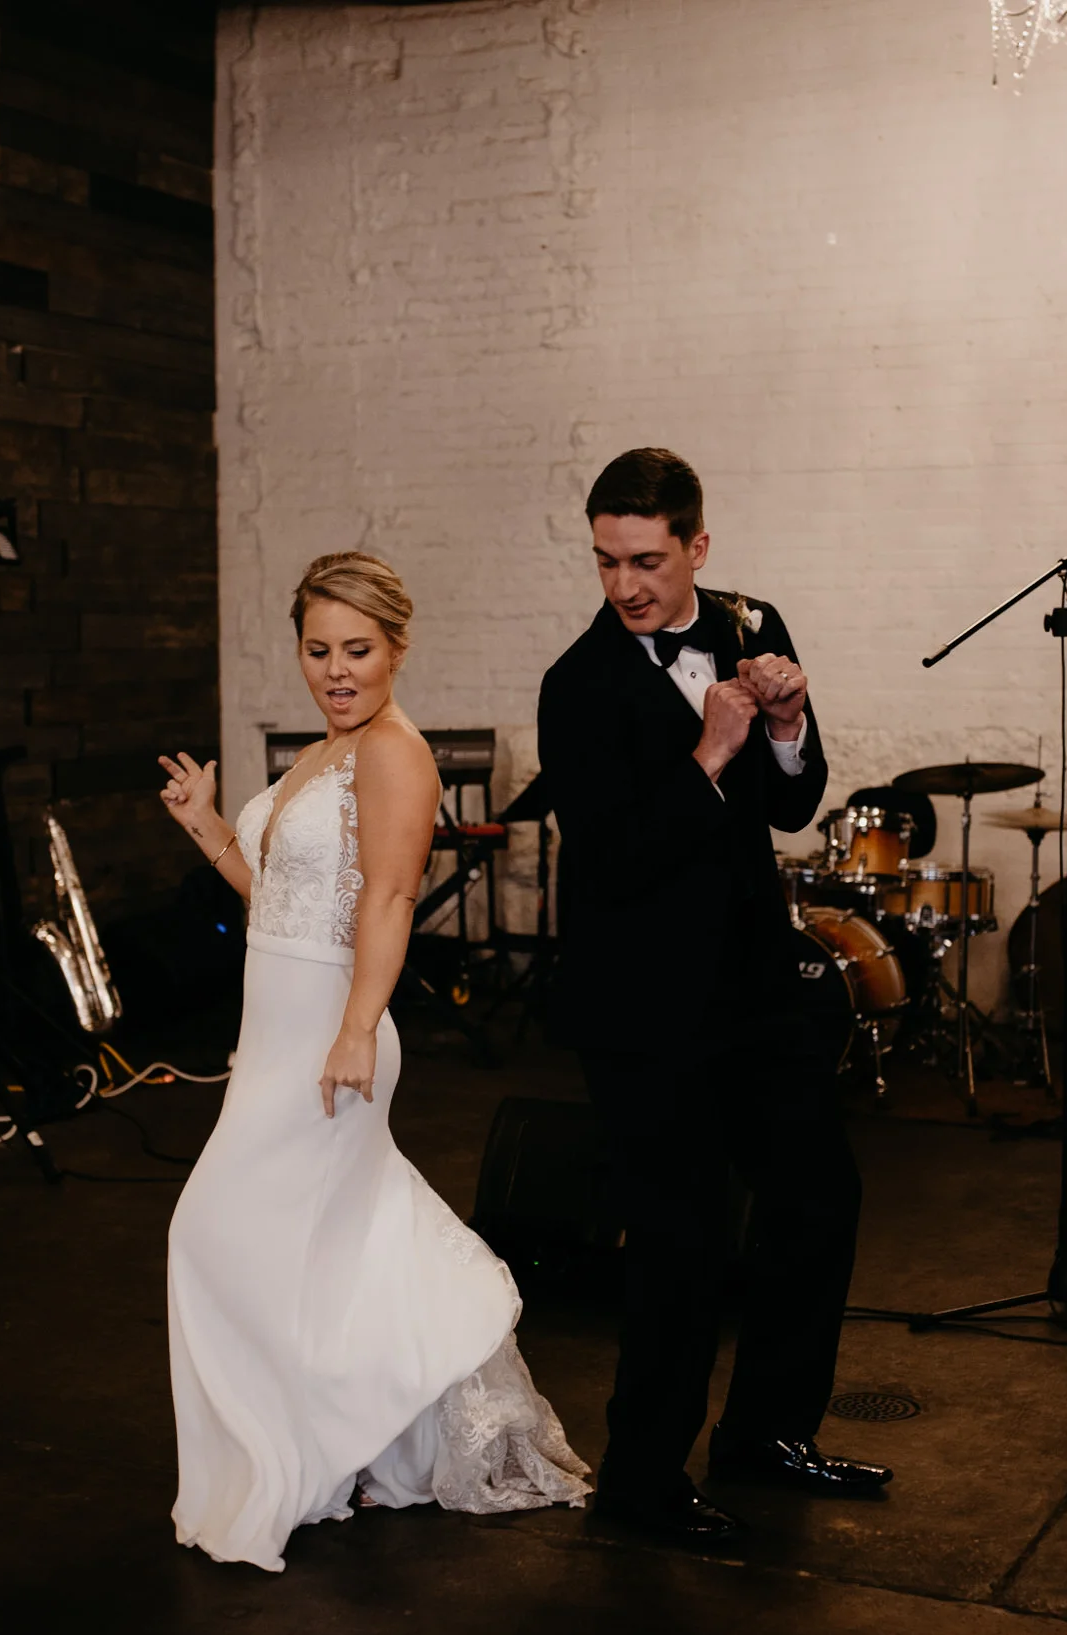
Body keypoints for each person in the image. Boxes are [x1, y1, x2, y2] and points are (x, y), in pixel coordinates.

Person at [156, 551, 588, 1572]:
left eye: (357, 649)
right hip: (280, 1033)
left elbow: (388, 901)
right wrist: (209, 828)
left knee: (212, 1230)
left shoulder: (395, 753)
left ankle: (309, 1447)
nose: (336, 669)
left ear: (397, 647)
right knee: (311, 1248)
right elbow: (280, 901)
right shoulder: (325, 750)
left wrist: (358, 1024)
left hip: (331, 1033)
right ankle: (351, 1444)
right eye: (319, 649)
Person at [537, 447, 889, 1548]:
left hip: (752, 984)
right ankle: (640, 1482)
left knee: (817, 1200)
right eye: (605, 561)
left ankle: (765, 1436)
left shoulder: (750, 619)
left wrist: (784, 725)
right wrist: (709, 751)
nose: (625, 585)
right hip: (639, 1007)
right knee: (681, 1243)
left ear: (697, 544)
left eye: (646, 559)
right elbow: (614, 858)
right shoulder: (576, 685)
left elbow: (794, 807)